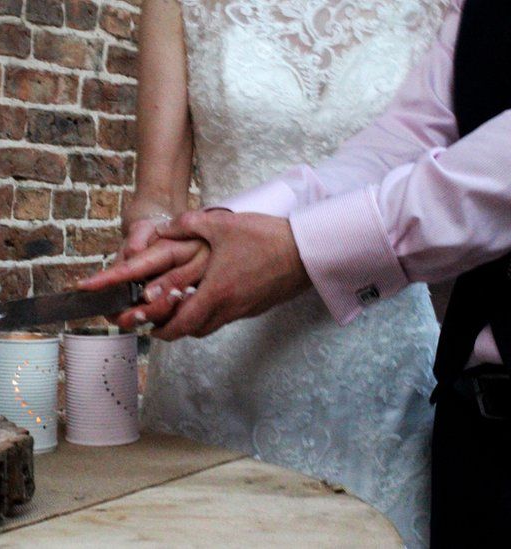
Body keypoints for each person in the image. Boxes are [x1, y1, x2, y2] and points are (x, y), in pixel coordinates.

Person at [82, 0, 511, 545]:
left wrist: (297, 248)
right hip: (225, 343)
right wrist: (207, 238)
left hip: (376, 361)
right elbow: (402, 141)